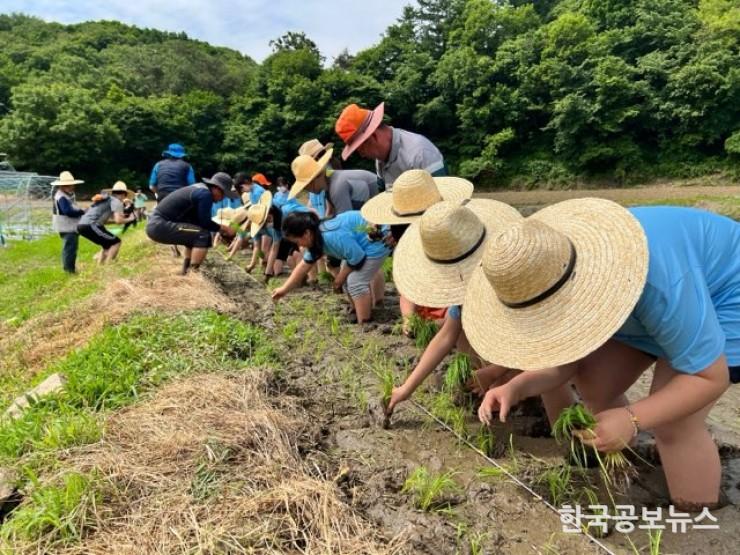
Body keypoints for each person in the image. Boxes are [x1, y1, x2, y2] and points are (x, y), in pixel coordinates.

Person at [466, 200, 740, 510]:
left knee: (674, 424)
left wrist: (632, 418)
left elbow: (709, 377)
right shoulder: (557, 270)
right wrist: (515, 387)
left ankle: (698, 520)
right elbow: (569, 361)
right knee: (594, 382)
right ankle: (624, 464)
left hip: (727, 295)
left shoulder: (658, 282)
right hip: (652, 305)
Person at [384, 199, 523, 417]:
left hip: (539, 355)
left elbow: (533, 344)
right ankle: (493, 381)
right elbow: (445, 337)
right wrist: (406, 388)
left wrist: (495, 372)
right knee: (461, 331)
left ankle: (516, 388)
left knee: (519, 386)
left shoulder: (512, 283)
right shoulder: (464, 294)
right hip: (505, 348)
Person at [360, 169, 473, 334]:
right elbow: (407, 290)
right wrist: (409, 321)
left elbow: (462, 306)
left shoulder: (456, 241)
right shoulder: (410, 250)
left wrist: (439, 326)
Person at [272, 211, 391, 324]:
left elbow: (358, 258)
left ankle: (365, 321)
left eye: (297, 241)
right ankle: (356, 309)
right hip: (359, 245)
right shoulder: (316, 237)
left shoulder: (330, 236)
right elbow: (303, 266)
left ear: (307, 233)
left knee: (355, 281)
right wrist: (283, 290)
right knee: (346, 278)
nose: (298, 245)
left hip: (378, 239)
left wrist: (339, 279)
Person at [334, 102, 445, 191]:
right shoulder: (380, 160)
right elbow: (383, 199)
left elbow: (444, 199)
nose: (362, 154)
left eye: (361, 148)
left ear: (374, 136)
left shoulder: (420, 153)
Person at [146, 172, 237, 274]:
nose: (222, 198)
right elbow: (205, 222)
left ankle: (186, 272)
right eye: (223, 194)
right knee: (203, 235)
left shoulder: (199, 190)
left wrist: (219, 230)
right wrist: (224, 228)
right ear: (216, 188)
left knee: (194, 235)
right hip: (160, 225)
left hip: (156, 224)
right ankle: (193, 273)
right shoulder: (205, 195)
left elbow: (197, 221)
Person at [289, 148, 378, 218]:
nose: (306, 189)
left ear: (316, 177)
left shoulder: (337, 187)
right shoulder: (329, 181)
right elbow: (334, 214)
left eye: (306, 185)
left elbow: (346, 223)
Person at [77, 181, 135, 264]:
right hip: (90, 225)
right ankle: (108, 265)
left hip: (82, 225)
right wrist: (131, 219)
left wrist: (122, 220)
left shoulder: (107, 199)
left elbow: (106, 221)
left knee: (106, 245)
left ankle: (100, 266)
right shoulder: (116, 201)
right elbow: (118, 220)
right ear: (124, 194)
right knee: (116, 242)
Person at [51, 171, 86, 273]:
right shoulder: (61, 197)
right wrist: (81, 211)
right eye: (70, 185)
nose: (72, 187)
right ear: (63, 185)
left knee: (71, 247)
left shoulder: (66, 195)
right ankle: (69, 270)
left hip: (68, 226)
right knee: (70, 249)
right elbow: (67, 211)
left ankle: (70, 269)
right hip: (66, 227)